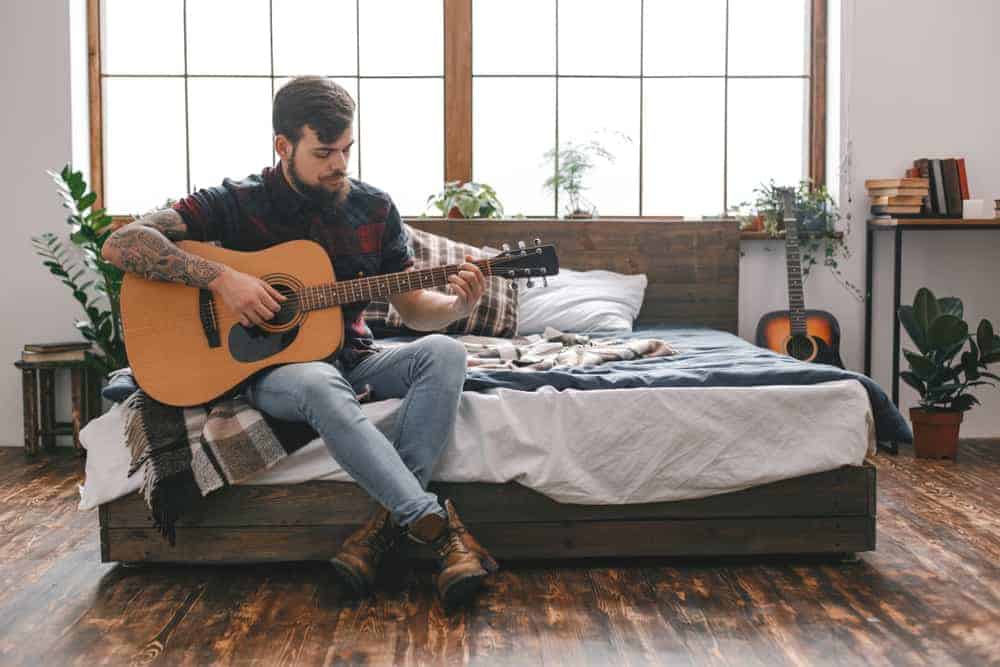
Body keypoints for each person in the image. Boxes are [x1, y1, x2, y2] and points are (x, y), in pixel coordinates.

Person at [102, 76, 497, 607]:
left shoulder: (374, 209)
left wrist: (457, 309)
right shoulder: (237, 201)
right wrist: (222, 279)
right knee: (317, 381)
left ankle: (384, 527)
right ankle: (432, 523)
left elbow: (412, 308)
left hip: (354, 356)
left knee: (446, 353)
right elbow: (122, 243)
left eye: (347, 149)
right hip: (273, 370)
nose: (340, 164)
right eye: (324, 153)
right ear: (283, 146)